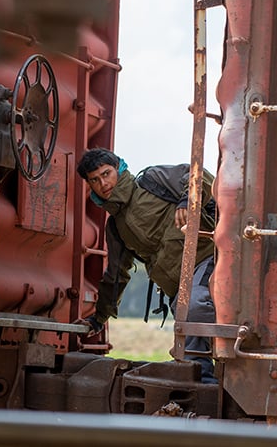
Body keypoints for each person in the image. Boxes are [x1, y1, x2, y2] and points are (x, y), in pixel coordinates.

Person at [75, 147, 217, 384]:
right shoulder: (116, 228)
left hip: (206, 260)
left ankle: (210, 380)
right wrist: (98, 319)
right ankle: (206, 388)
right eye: (95, 180)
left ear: (119, 168)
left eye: (106, 174)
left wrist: (186, 200)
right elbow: (116, 275)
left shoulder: (151, 180)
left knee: (197, 307)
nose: (103, 183)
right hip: (177, 288)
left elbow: (200, 176)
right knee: (188, 342)